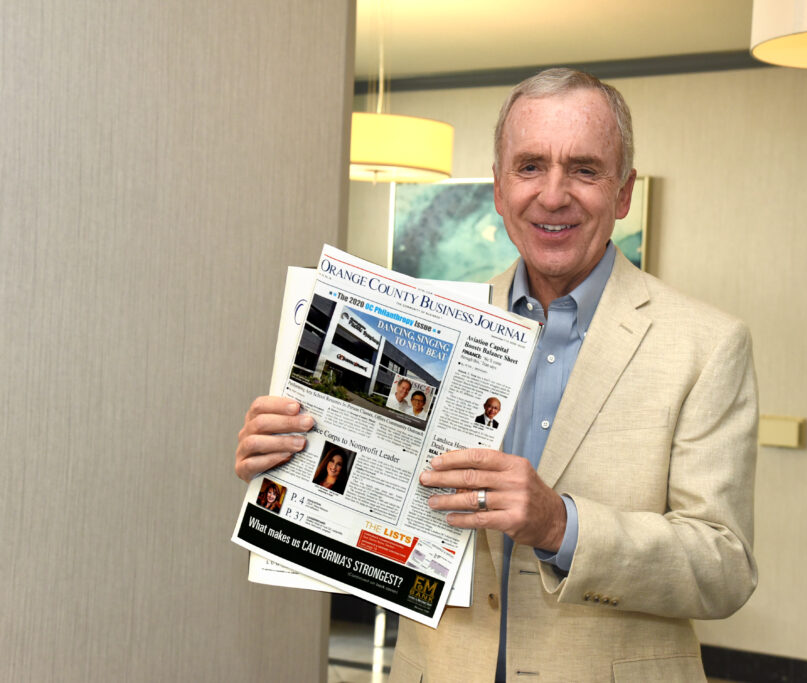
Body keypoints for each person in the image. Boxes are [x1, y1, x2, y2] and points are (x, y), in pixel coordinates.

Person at [236, 67, 758, 682]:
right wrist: (287, 467)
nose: (553, 195)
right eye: (529, 166)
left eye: (584, 169)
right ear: (499, 189)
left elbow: (725, 567)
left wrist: (559, 525)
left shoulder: (707, 345)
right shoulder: (438, 326)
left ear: (623, 194)